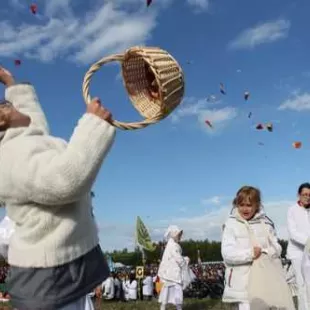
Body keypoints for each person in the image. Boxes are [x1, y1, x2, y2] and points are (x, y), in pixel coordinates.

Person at [0, 66, 116, 309]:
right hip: (49, 279)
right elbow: (65, 180)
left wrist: (11, 83)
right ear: (4, 118)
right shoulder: (10, 158)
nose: (16, 106)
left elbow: (32, 124)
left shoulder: (19, 142)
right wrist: (92, 125)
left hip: (57, 270)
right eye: (8, 104)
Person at [221, 186, 284, 310]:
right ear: (236, 204)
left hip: (264, 279)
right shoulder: (231, 224)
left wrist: (265, 252)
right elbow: (227, 254)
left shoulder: (266, 223)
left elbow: (277, 248)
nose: (245, 209)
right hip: (241, 283)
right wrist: (250, 254)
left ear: (257, 205)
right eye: (241, 205)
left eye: (249, 205)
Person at [287, 183, 310, 310]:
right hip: (298, 253)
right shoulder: (292, 210)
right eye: (304, 194)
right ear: (299, 195)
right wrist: (308, 241)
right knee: (301, 285)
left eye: (309, 195)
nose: (307, 197)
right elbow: (293, 232)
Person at [157, 225, 190, 310]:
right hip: (173, 273)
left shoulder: (171, 244)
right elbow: (178, 258)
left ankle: (164, 307)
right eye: (178, 235)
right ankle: (177, 308)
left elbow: (176, 257)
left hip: (169, 273)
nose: (180, 237)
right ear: (174, 235)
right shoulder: (173, 245)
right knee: (176, 291)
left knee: (166, 291)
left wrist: (184, 259)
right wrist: (185, 262)